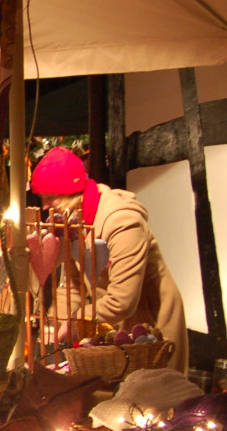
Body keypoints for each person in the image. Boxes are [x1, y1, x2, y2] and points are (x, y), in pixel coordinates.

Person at [30, 146, 188, 371]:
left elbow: (123, 300)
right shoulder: (74, 219)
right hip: (110, 323)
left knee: (151, 396)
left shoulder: (123, 222)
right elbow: (74, 286)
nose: (44, 206)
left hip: (151, 325)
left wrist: (75, 322)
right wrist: (53, 324)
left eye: (49, 198)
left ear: (69, 195)